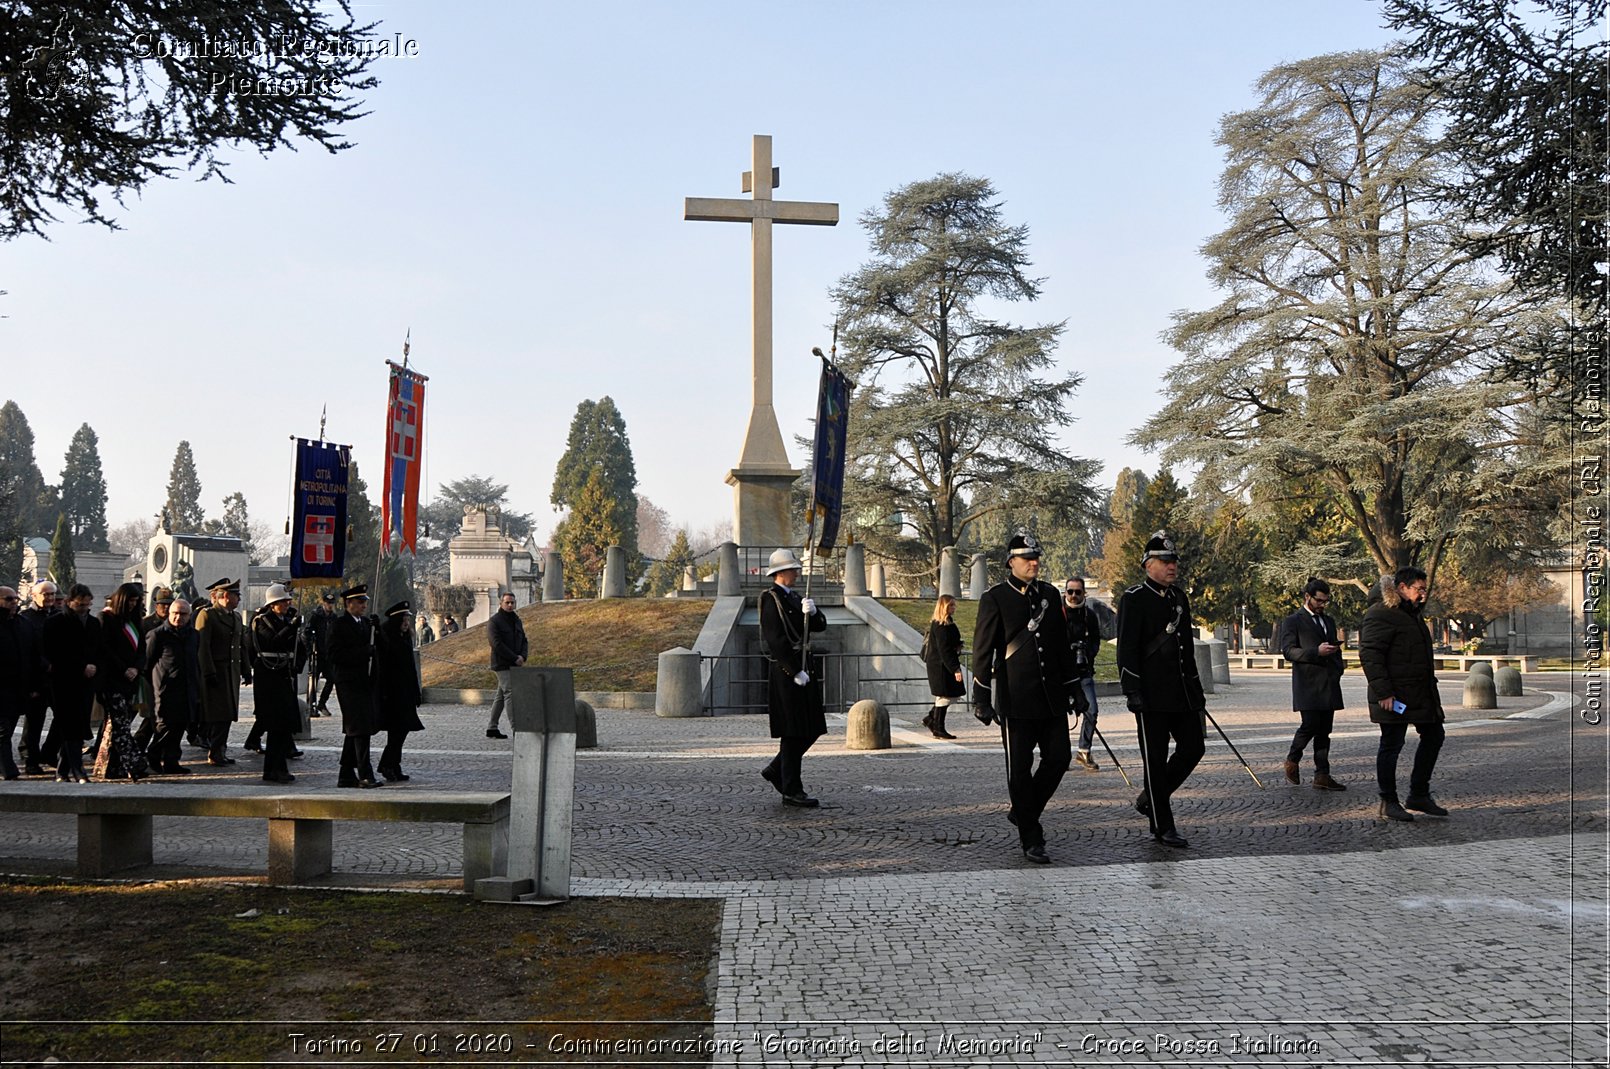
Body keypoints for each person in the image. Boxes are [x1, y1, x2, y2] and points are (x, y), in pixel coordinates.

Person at [972, 533, 1082, 864]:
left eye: (1036, 557)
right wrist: (981, 696)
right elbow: (983, 651)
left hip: (1050, 698)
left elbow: (1061, 647)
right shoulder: (995, 598)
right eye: (1026, 558)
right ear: (1011, 562)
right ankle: (1031, 838)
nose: (1034, 562)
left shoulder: (1049, 594)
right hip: (1015, 699)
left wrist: (1074, 687)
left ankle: (1024, 810)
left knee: (1059, 758)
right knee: (1019, 771)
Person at [1116, 531, 1206, 849]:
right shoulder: (1134, 599)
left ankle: (1149, 799)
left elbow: (1186, 649)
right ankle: (1162, 823)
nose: (1172, 567)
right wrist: (1132, 690)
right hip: (1151, 696)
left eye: (1174, 561)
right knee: (1154, 761)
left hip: (1180, 693)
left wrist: (1195, 689)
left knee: (1194, 748)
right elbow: (1126, 649)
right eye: (1165, 562)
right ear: (1148, 565)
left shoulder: (1179, 598)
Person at [1359, 567, 1448, 822]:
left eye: (1424, 589)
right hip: (1394, 696)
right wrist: (1384, 693)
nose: (1423, 594)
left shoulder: (1411, 614)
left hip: (1420, 694)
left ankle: (1418, 794)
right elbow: (1371, 655)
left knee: (1434, 735)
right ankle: (1388, 801)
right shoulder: (1381, 613)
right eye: (1418, 589)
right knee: (1391, 745)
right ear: (1401, 588)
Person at [758, 548, 827, 807]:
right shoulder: (770, 598)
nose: (797, 573)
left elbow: (819, 626)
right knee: (792, 731)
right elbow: (775, 639)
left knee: (811, 728)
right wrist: (793, 670)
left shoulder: (796, 597)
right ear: (780, 573)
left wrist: (814, 611)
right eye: (793, 569)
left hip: (804, 667)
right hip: (788, 673)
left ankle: (777, 770)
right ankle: (791, 789)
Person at [1279, 577, 1347, 791]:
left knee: (1325, 730)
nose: (1322, 605)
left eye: (1325, 601)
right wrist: (1315, 652)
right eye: (1319, 601)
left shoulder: (1328, 621)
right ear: (1307, 597)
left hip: (1329, 682)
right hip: (1308, 683)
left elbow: (1334, 647)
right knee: (1309, 725)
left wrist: (1338, 668)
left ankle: (1322, 774)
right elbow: (1288, 651)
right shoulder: (1293, 621)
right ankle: (1293, 758)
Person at [42, 583, 101, 783]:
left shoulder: (93, 623)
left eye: (87, 605)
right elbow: (55, 653)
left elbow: (97, 650)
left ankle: (62, 770)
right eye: (80, 605)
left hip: (86, 682)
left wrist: (93, 666)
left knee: (76, 725)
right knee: (70, 725)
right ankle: (78, 769)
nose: (84, 609)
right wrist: (81, 666)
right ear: (69, 602)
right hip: (63, 681)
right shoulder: (55, 623)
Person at [249, 584, 306, 785]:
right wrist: (291, 627)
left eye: (288, 601)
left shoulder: (285, 620)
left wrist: (296, 664)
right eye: (283, 601)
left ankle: (277, 767)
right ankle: (273, 768)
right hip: (268, 675)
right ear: (273, 604)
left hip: (283, 673)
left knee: (284, 725)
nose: (287, 604)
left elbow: (299, 647)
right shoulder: (261, 621)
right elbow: (271, 642)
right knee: (275, 724)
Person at [91, 582, 149, 780]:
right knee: (119, 724)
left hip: (131, 680)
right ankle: (134, 760)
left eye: (136, 601)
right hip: (112, 680)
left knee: (114, 726)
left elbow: (142, 650)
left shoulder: (134, 622)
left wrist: (136, 668)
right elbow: (105, 650)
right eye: (130, 601)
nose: (133, 605)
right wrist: (124, 668)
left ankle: (108, 766)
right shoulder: (106, 619)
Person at [327, 584, 383, 788]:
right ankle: (364, 773)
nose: (363, 606)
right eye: (360, 602)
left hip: (364, 681)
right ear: (348, 604)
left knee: (356, 728)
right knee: (359, 729)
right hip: (348, 681)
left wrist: (379, 629)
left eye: (364, 602)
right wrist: (363, 652)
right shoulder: (339, 625)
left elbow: (378, 649)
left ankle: (345, 774)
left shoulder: (366, 624)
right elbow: (335, 655)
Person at [194, 578, 250, 766]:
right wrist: (208, 672)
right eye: (236, 595)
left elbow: (240, 646)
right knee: (218, 714)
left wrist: (246, 669)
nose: (239, 599)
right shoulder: (208, 615)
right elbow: (203, 646)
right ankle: (215, 750)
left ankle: (219, 749)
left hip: (231, 672)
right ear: (225, 596)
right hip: (216, 672)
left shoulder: (235, 617)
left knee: (228, 713)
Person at [145, 598, 200, 774]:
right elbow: (147, 663)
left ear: (189, 616)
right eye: (175, 613)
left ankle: (171, 762)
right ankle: (153, 755)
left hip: (186, 687)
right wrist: (156, 683)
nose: (178, 617)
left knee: (179, 726)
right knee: (164, 726)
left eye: (183, 614)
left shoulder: (193, 635)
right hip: (164, 688)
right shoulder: (158, 634)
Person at [376, 601, 425, 782]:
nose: (406, 621)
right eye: (404, 618)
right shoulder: (387, 635)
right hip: (393, 693)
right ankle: (388, 765)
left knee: (400, 732)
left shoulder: (404, 636)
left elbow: (410, 667)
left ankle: (393, 764)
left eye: (407, 618)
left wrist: (416, 692)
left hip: (405, 692)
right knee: (397, 732)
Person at [0, 586, 43, 779]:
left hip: (19, 688)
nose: (14, 602)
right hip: (3, 687)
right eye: (9, 599)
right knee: (3, 731)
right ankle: (8, 770)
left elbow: (33, 656)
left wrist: (35, 686)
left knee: (7, 730)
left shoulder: (23, 624)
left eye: (16, 599)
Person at [18, 581, 60, 773]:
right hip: (36, 677)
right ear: (34, 596)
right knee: (35, 721)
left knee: (62, 717)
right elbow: (25, 649)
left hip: (57, 677)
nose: (50, 598)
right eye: (46, 594)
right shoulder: (25, 618)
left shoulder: (59, 616)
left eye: (52, 594)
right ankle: (30, 759)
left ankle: (49, 752)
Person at [1064, 578, 1103, 771]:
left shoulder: (1089, 615)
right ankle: (1060, 754)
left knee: (1092, 710)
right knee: (1059, 713)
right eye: (1070, 591)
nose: (1073, 595)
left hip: (1084, 671)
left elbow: (1096, 640)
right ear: (1065, 593)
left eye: (1077, 592)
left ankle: (1084, 751)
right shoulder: (1057, 614)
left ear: (1084, 594)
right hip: (1062, 673)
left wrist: (1088, 653)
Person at [920, 594, 965, 739]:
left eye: (954, 605)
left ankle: (931, 719)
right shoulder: (941, 625)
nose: (954, 608)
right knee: (944, 696)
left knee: (949, 695)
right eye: (951, 605)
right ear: (944, 607)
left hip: (942, 664)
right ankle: (937, 726)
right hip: (941, 666)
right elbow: (944, 649)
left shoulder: (946, 622)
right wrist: (955, 669)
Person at [486, 592, 527, 740]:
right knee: (510, 693)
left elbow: (524, 640)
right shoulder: (494, 621)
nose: (510, 605)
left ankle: (492, 727)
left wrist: (523, 656)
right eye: (507, 603)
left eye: (512, 603)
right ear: (501, 603)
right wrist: (514, 657)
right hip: (502, 664)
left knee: (501, 695)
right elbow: (496, 644)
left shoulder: (517, 620)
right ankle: (517, 730)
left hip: (515, 662)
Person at [303, 592, 338, 717]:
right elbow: (307, 633)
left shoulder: (334, 618)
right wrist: (309, 650)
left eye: (332, 603)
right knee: (313, 681)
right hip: (317, 653)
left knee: (332, 679)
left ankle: (322, 703)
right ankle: (311, 706)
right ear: (324, 603)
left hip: (328, 654)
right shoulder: (316, 616)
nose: (330, 606)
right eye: (328, 603)